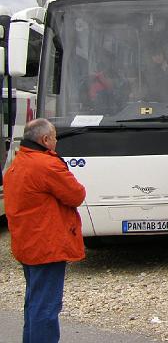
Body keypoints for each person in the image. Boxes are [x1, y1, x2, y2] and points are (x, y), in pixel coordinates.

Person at [4, 118, 86, 343]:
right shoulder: (46, 165)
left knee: (34, 303)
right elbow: (76, 195)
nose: (57, 140)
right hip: (47, 245)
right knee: (46, 308)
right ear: (45, 139)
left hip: (27, 243)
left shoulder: (18, 163)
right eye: (55, 136)